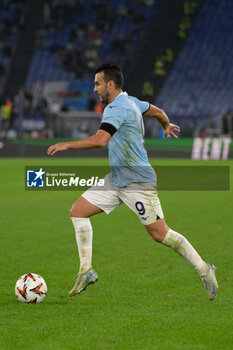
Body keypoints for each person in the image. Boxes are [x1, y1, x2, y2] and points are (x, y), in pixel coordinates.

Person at [47, 63, 218, 300]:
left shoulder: (116, 108)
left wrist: (66, 144)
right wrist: (166, 125)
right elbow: (157, 111)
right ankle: (86, 270)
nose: (94, 88)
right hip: (117, 178)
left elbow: (100, 140)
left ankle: (204, 269)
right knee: (78, 211)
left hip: (137, 181)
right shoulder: (133, 101)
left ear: (110, 84)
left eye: (97, 83)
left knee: (160, 234)